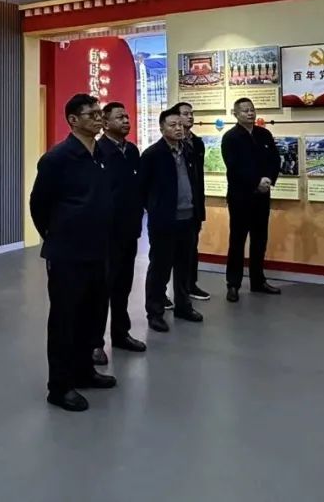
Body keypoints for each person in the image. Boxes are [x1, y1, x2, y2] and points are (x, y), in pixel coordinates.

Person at [30, 94, 116, 412]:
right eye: (91, 114)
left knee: (92, 315)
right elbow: (39, 204)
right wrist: (55, 236)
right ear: (73, 120)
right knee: (65, 319)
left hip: (98, 249)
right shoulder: (57, 158)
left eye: (99, 112)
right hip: (67, 252)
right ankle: (60, 386)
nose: (98, 118)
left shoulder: (101, 153)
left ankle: (84, 371)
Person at [140, 107, 205, 333]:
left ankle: (183, 306)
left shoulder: (188, 150)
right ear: (161, 128)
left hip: (188, 219)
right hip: (164, 222)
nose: (178, 128)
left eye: (180, 124)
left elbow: (196, 183)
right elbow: (142, 189)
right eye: (172, 125)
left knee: (184, 267)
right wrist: (156, 210)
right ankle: (155, 312)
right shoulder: (152, 154)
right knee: (160, 269)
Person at [92, 102, 147, 365]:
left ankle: (121, 333)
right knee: (101, 289)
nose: (126, 120)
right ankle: (95, 343)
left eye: (127, 116)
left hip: (129, 230)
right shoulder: (98, 151)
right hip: (106, 233)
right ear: (105, 123)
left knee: (123, 286)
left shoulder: (132, 150)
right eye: (119, 117)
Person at [221, 98, 282, 301]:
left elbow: (275, 159)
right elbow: (234, 168)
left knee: (260, 239)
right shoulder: (230, 138)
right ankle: (233, 284)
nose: (250, 113)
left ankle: (258, 281)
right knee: (237, 241)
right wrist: (256, 181)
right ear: (236, 114)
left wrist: (268, 179)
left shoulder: (264, 134)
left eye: (252, 110)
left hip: (262, 196)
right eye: (245, 110)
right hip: (240, 197)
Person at [172, 101, 210, 302]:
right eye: (185, 114)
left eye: (191, 113)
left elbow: (198, 177)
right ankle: (162, 294)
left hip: (194, 204)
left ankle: (190, 284)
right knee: (168, 253)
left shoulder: (197, 142)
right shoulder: (169, 145)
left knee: (192, 247)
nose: (190, 117)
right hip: (175, 207)